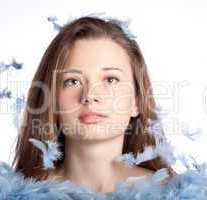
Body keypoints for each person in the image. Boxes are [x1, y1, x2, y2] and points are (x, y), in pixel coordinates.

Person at [12, 16, 175, 194]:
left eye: (110, 79)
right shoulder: (12, 195)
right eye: (72, 81)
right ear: (51, 100)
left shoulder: (176, 193)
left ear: (136, 101)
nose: (89, 96)